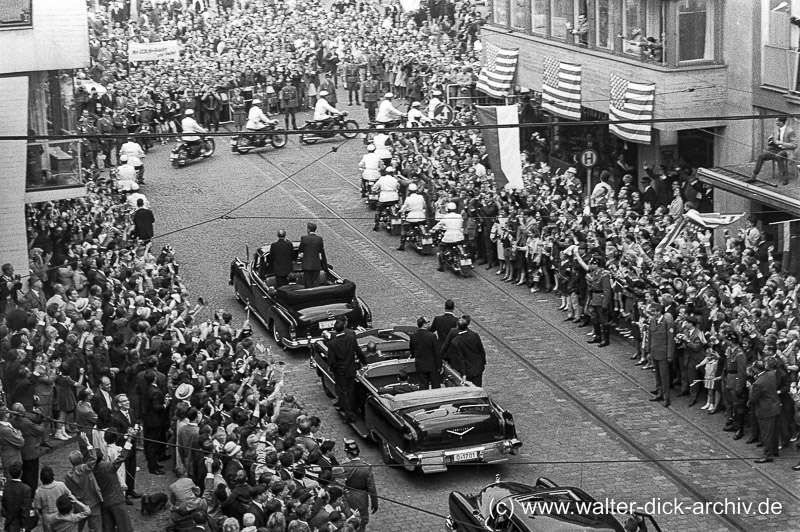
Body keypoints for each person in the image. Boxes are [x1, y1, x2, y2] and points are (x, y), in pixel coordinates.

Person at [325, 320, 367, 423]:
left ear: (335, 330)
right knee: (351, 390)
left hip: (340, 371)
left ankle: (349, 415)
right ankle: (352, 409)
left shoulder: (332, 343)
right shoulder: (351, 338)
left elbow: (331, 360)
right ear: (343, 327)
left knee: (344, 392)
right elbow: (358, 352)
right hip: (351, 368)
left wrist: (334, 368)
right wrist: (365, 362)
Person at [63, 434, 101, 532]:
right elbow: (93, 458)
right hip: (93, 502)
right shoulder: (85, 469)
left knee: (77, 528)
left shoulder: (68, 476)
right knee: (95, 528)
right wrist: (88, 443)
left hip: (79, 505)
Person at [574, 253, 613, 347]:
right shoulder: (595, 273)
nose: (590, 265)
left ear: (596, 264)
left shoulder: (604, 275)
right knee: (594, 317)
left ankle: (605, 339)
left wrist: (605, 304)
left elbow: (607, 291)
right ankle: (597, 336)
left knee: (604, 319)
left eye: (591, 263)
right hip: (594, 297)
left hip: (600, 298)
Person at [340, 440, 377, 532]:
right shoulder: (366, 467)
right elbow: (371, 487)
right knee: (362, 521)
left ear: (349, 455)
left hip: (348, 496)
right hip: (362, 497)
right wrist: (374, 502)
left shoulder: (343, 466)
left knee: (350, 518)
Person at [748, 360, 781, 463]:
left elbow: (753, 398)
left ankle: (767, 455)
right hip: (775, 407)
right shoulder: (771, 375)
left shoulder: (758, 383)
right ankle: (774, 450)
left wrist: (750, 388)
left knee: (766, 433)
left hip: (765, 410)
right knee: (774, 432)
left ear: (756, 369)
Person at [111, 394, 141, 503]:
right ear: (119, 404)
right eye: (124, 401)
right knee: (125, 470)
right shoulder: (115, 417)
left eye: (127, 400)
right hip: (123, 447)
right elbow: (116, 434)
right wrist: (127, 435)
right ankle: (124, 494)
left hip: (132, 446)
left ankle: (131, 489)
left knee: (132, 469)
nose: (127, 402)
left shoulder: (131, 412)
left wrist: (137, 428)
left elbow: (135, 422)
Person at [440, 316, 487, 386]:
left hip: (467, 369)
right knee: (478, 386)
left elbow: (461, 358)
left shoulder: (456, 341)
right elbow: (481, 350)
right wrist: (483, 362)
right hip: (477, 367)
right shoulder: (474, 335)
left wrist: (464, 374)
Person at [9, 402, 45, 493]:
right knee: (32, 476)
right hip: (31, 452)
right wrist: (42, 423)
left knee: (24, 474)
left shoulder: (12, 421)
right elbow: (40, 430)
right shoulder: (26, 423)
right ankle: (31, 494)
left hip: (21, 452)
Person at [750, 117, 797, 185]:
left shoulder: (790, 131)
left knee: (778, 156)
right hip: (776, 149)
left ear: (781, 122)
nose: (776, 123)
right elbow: (773, 139)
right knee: (761, 156)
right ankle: (753, 176)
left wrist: (781, 143)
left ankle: (784, 178)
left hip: (786, 150)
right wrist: (771, 140)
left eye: (777, 121)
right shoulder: (776, 130)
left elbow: (794, 145)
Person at [141, 369, 169, 475]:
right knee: (153, 444)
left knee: (152, 444)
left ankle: (154, 464)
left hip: (150, 420)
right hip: (155, 422)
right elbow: (157, 407)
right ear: (155, 378)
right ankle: (153, 467)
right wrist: (166, 404)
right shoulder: (155, 391)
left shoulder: (148, 388)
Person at [646, 304, 675, 407]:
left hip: (663, 353)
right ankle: (659, 393)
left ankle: (666, 397)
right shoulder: (652, 321)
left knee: (664, 376)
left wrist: (670, 355)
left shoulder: (667, 323)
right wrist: (648, 351)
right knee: (657, 375)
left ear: (659, 311)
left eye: (653, 311)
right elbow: (650, 337)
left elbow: (670, 340)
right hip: (654, 352)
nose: (651, 313)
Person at [34, 466, 72, 532]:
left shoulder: (39, 491)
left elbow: (38, 506)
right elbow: (70, 496)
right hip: (61, 514)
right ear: (52, 475)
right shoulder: (61, 485)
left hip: (47, 517)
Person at [431, 202, 464, 272]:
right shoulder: (459, 216)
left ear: (447, 209)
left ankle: (441, 267)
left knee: (441, 249)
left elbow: (439, 225)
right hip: (459, 236)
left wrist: (433, 230)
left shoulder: (445, 217)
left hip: (449, 237)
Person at [409, 316, 440, 389]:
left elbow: (412, 349)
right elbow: (437, 352)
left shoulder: (413, 336)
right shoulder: (432, 336)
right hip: (432, 365)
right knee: (435, 385)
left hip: (420, 364)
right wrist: (439, 365)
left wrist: (414, 356)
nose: (430, 324)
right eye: (428, 322)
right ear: (424, 324)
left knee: (423, 385)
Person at [1, 462, 32, 532]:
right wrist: (24, 526)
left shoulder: (5, 487)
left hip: (9, 523)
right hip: (20, 525)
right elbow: (25, 509)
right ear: (21, 473)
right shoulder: (26, 489)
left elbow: (3, 507)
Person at [397, 183, 426, 251]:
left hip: (411, 218)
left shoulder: (408, 199)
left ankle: (402, 245)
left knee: (404, 229)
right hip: (421, 217)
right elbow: (424, 205)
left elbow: (404, 207)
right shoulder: (421, 197)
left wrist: (400, 211)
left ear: (409, 191)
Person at [298, 222, 327, 288]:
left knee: (308, 283)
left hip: (307, 264)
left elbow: (301, 249)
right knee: (315, 283)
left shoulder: (304, 238)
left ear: (308, 229)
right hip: (316, 264)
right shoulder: (319, 239)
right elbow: (320, 250)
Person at [371, 167, 400, 232]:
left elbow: (375, 187)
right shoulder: (395, 179)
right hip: (394, 198)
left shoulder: (382, 179)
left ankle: (376, 224)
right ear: (392, 173)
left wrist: (374, 190)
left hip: (384, 198)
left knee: (378, 210)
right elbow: (398, 187)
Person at [0, 407, 25, 479]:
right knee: (12, 481)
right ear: (5, 414)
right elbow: (20, 442)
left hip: (10, 458)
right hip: (11, 460)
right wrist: (19, 434)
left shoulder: (6, 425)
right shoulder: (5, 430)